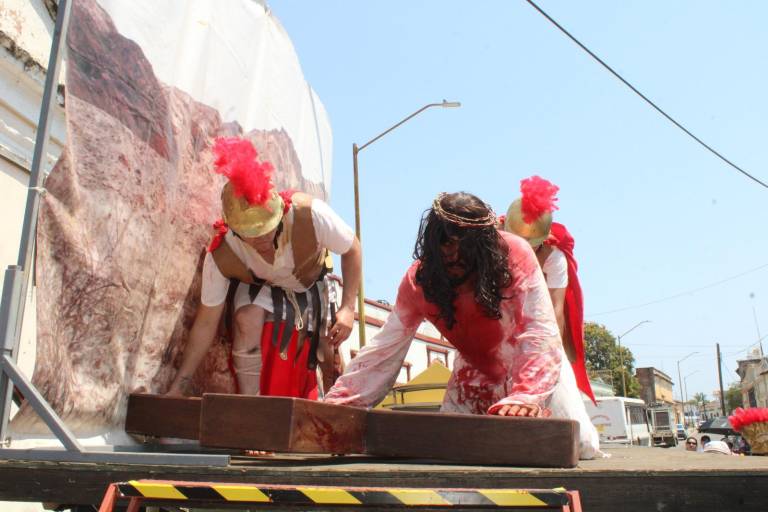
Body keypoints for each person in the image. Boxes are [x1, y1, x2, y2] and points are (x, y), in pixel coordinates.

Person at [324, 192, 601, 459]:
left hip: (535, 367)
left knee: (581, 445)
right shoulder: (418, 282)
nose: (454, 254)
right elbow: (384, 350)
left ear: (483, 246)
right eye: (445, 242)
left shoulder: (515, 254)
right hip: (474, 377)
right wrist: (338, 406)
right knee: (455, 452)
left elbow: (540, 330)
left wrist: (527, 396)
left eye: (464, 246)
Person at [167, 137, 361, 398]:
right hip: (265, 286)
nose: (262, 242)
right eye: (251, 235)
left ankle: (331, 405)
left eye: (266, 231)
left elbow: (352, 248)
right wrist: (179, 386)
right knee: (245, 319)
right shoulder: (223, 253)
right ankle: (251, 405)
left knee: (328, 349)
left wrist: (349, 308)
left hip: (311, 283)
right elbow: (205, 322)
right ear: (234, 229)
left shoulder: (310, 214)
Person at [502, 176, 594, 402]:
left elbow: (556, 309)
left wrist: (549, 353)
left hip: (537, 318)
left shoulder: (554, 258)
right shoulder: (493, 242)